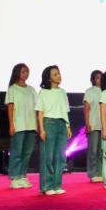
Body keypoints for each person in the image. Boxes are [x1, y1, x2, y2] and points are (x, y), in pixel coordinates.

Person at [36, 65, 72, 195]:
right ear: (49, 78)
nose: (59, 76)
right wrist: (41, 129)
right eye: (55, 74)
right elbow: (40, 112)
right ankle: (47, 186)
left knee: (60, 157)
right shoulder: (43, 92)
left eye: (59, 73)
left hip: (61, 124)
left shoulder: (63, 92)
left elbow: (65, 111)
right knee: (48, 156)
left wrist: (68, 126)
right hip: (49, 123)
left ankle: (57, 185)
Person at [5, 63, 38, 189]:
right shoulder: (12, 89)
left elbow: (37, 108)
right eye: (23, 71)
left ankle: (23, 176)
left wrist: (38, 125)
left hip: (31, 125)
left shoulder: (31, 90)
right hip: (18, 125)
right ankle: (14, 177)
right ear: (17, 73)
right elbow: (10, 108)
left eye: (27, 71)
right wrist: (11, 125)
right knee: (16, 152)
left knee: (27, 153)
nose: (26, 74)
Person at [82, 70, 104, 183]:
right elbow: (86, 109)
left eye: (101, 77)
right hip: (93, 124)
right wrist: (87, 124)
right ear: (93, 79)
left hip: (104, 126)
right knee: (93, 151)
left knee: (102, 151)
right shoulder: (89, 91)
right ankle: (93, 174)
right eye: (97, 77)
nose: (99, 80)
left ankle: (101, 173)